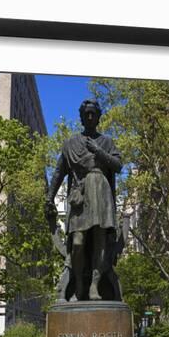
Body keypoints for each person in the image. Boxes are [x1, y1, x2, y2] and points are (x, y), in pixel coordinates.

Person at [46, 99, 123, 301]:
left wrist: (98, 150)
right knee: (78, 242)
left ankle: (94, 287)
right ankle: (79, 283)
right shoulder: (70, 144)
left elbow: (117, 165)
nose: (90, 117)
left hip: (101, 191)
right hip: (80, 196)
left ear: (98, 117)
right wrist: (49, 197)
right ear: (81, 117)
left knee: (100, 241)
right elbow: (58, 173)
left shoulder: (106, 142)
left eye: (93, 113)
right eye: (86, 114)